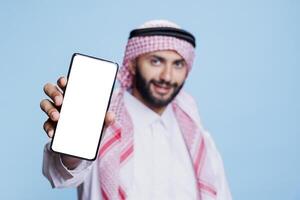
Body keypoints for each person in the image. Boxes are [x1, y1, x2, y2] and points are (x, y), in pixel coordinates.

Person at [40, 19, 232, 200]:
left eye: (178, 64)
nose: (167, 76)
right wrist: (70, 145)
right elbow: (61, 175)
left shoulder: (199, 139)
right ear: (132, 64)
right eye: (156, 61)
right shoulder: (102, 119)